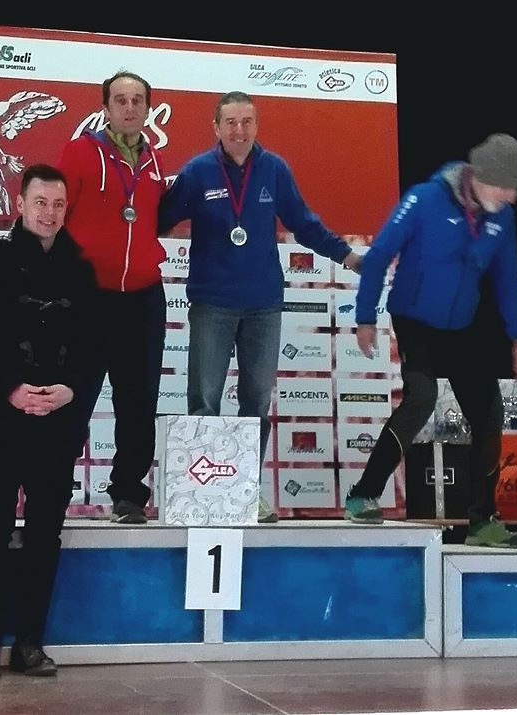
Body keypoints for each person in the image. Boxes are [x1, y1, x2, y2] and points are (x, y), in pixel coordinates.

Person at [158, 91, 359, 524]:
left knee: (256, 404)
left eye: (247, 121)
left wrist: (346, 256)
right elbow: (157, 220)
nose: (239, 131)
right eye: (230, 122)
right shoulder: (196, 172)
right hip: (212, 303)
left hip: (264, 306)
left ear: (256, 125)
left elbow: (304, 224)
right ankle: (204, 494)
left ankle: (246, 490)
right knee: (204, 401)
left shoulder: (274, 169)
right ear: (216, 128)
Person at [345, 133, 517, 548]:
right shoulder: (424, 199)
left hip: (461, 324)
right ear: (484, 177)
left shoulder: (501, 218)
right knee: (421, 397)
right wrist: (365, 318)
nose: (512, 198)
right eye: (507, 187)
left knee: (489, 413)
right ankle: (363, 495)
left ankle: (482, 522)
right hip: (415, 318)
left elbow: (508, 279)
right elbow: (378, 257)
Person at [0, 164, 96, 678]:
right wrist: (11, 387)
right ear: (19, 204)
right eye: (40, 202)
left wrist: (70, 389)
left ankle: (31, 643)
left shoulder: (81, 269)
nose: (49, 213)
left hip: (56, 422)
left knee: (44, 534)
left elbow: (94, 345)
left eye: (58, 205)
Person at [57, 70, 167, 524]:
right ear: (105, 108)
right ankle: (51, 486)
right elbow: (57, 216)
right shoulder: (80, 153)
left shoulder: (155, 161)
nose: (129, 107)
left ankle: (128, 495)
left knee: (138, 402)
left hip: (142, 297)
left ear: (147, 109)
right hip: (89, 296)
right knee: (73, 396)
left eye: (137, 100)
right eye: (120, 99)